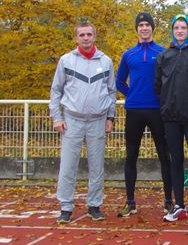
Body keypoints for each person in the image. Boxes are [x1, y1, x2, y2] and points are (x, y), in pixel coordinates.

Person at [50, 22, 116, 223]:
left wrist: (110, 117)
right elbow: (56, 91)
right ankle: (65, 207)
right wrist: (57, 117)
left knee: (97, 167)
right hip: (72, 120)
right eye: (82, 35)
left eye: (89, 34)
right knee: (68, 166)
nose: (86, 38)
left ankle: (94, 205)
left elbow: (111, 91)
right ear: (76, 38)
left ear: (95, 36)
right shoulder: (66, 60)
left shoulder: (106, 61)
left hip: (97, 121)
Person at [115, 12, 173, 217]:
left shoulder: (163, 53)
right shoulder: (128, 55)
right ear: (137, 29)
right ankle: (130, 202)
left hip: (157, 110)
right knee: (131, 156)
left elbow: (169, 82)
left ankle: (169, 202)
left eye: (148, 25)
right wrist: (134, 94)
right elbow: (119, 81)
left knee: (164, 156)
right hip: (134, 111)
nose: (144, 28)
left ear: (152, 28)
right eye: (141, 25)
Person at [155, 14, 188, 223]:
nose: (180, 31)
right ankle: (179, 205)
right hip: (171, 118)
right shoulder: (164, 56)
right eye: (176, 28)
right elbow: (158, 86)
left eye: (183, 27)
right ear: (172, 31)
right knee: (176, 160)